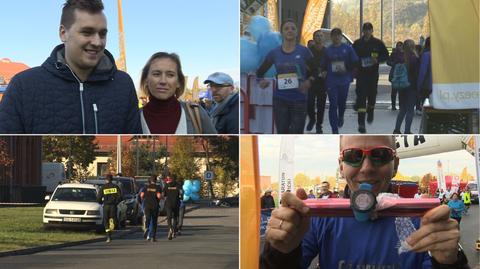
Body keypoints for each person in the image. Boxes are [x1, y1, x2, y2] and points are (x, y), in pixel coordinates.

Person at [261, 135, 467, 268]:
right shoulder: (317, 218)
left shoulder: (421, 220)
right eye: (353, 156)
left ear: (394, 164)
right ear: (341, 166)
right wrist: (280, 250)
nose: (367, 167)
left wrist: (450, 262)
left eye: (380, 155)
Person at [0, 0, 141, 134]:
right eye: (87, 32)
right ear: (63, 33)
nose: (97, 42)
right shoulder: (23, 86)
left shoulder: (123, 85)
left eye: (102, 34)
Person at [256, 19, 314, 134]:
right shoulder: (274, 53)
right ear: (281, 33)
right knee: (282, 133)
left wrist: (309, 81)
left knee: (297, 134)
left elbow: (316, 70)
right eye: (286, 28)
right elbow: (260, 72)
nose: (290, 31)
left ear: (297, 32)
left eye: (293, 28)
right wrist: (260, 81)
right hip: (280, 100)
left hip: (299, 100)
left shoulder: (304, 51)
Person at [139, 52, 216, 134]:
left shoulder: (197, 113)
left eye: (170, 75)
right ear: (146, 80)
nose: (163, 81)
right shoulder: (134, 117)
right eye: (156, 74)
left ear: (179, 82)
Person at [352, 22, 389, 133]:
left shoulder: (378, 43)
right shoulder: (357, 43)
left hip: (373, 74)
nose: (367, 31)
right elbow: (352, 56)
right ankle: (361, 123)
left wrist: (377, 60)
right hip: (361, 75)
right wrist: (356, 63)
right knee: (361, 98)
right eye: (365, 29)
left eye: (369, 29)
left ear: (372, 31)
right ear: (362, 31)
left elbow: (386, 55)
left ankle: (371, 109)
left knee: (372, 96)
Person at [320, 28, 358, 134]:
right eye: (334, 35)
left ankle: (341, 115)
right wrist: (322, 71)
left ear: (341, 37)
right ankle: (334, 129)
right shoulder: (328, 50)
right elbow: (323, 65)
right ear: (331, 37)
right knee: (333, 104)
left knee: (341, 103)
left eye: (338, 35)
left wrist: (347, 67)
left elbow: (355, 61)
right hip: (331, 81)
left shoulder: (348, 48)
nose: (336, 37)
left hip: (344, 80)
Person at [393, 39, 419, 134]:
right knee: (410, 110)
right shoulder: (414, 58)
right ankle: (407, 130)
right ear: (412, 47)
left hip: (402, 86)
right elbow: (416, 74)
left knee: (402, 109)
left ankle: (397, 129)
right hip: (411, 86)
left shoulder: (401, 57)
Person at [306, 30, 327, 134]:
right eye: (317, 36)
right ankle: (312, 119)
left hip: (323, 82)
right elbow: (303, 64)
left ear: (324, 38)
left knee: (321, 105)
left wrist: (326, 72)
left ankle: (319, 125)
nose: (319, 38)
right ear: (313, 38)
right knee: (309, 103)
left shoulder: (327, 51)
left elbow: (332, 65)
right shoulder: (308, 51)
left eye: (321, 36)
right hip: (311, 80)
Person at [97, 174, 122, 243]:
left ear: (106, 180)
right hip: (113, 206)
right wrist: (116, 202)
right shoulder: (116, 187)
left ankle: (108, 236)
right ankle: (112, 222)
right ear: (112, 179)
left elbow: (99, 197)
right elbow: (120, 197)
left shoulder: (103, 187)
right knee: (113, 218)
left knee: (105, 221)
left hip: (106, 206)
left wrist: (101, 202)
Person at [140, 175, 162, 242]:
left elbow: (142, 195)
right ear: (156, 180)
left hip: (147, 205)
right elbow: (159, 196)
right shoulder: (158, 187)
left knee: (148, 217)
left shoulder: (146, 187)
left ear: (150, 180)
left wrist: (144, 199)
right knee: (154, 221)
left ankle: (146, 228)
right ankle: (153, 237)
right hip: (154, 205)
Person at [163, 174, 182, 240]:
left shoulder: (167, 185)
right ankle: (174, 231)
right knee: (175, 218)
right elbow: (181, 193)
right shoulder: (178, 185)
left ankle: (170, 228)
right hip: (176, 203)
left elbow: (164, 194)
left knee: (169, 217)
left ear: (170, 179)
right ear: (175, 179)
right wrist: (181, 197)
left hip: (168, 204)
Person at [387, 41, 404, 111]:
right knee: (394, 91)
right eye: (397, 45)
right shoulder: (393, 54)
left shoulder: (405, 54)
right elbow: (388, 61)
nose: (398, 47)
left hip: (402, 74)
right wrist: (393, 64)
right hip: (394, 74)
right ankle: (393, 105)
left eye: (400, 45)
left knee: (401, 92)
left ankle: (401, 105)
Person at [417, 37, 431, 112]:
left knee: (426, 106)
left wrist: (419, 85)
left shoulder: (425, 54)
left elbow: (423, 72)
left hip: (427, 84)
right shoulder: (440, 54)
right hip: (438, 85)